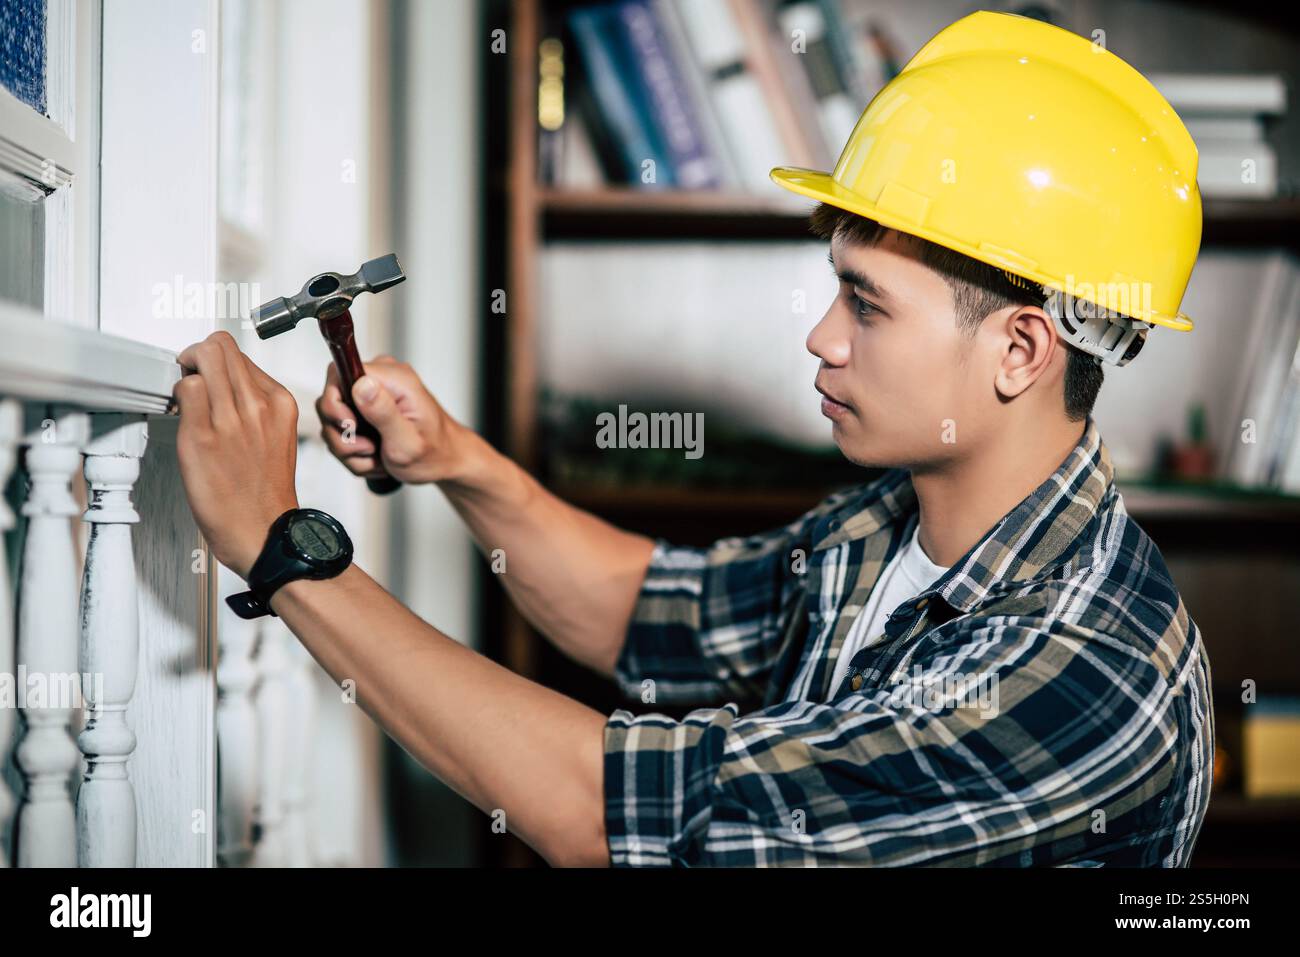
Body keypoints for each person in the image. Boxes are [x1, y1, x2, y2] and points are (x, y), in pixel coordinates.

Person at [171, 11, 1213, 867]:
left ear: (1020, 351)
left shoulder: (1087, 669)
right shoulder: (891, 515)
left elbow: (600, 808)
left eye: (866, 304)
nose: (820, 338)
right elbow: (650, 610)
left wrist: (281, 543)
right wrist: (454, 457)